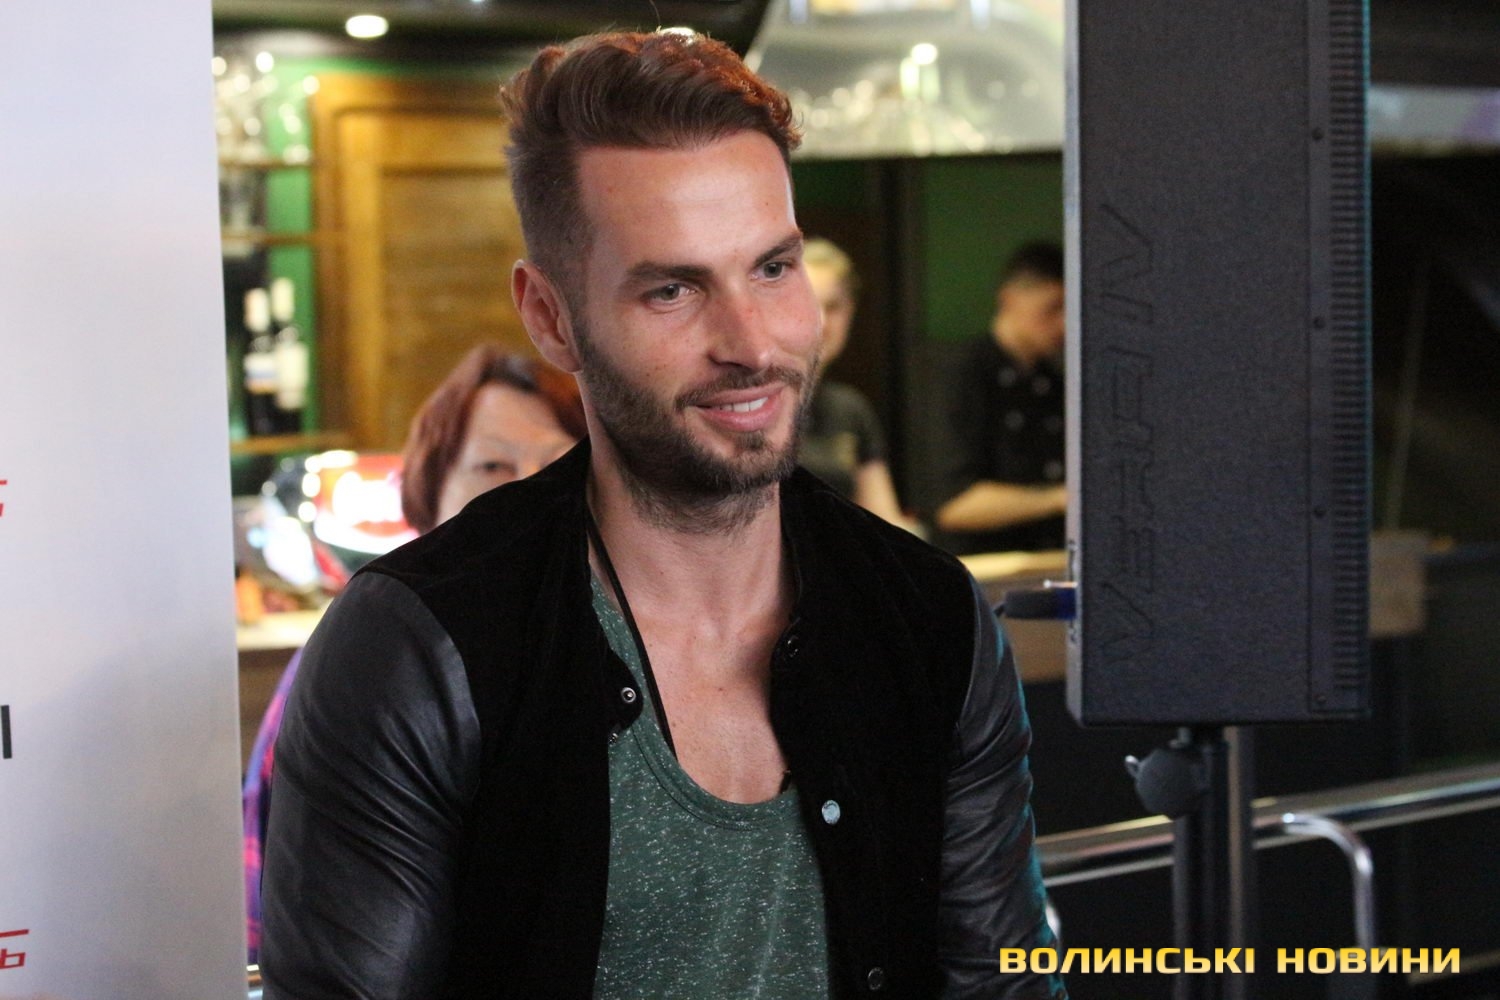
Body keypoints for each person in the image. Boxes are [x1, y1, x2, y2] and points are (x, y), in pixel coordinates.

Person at [260, 30, 1065, 1000]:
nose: (751, 344)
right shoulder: (419, 646)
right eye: (673, 289)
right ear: (551, 317)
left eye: (773, 268)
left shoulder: (929, 616)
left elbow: (1002, 983)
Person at [241, 343, 583, 965]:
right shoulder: (364, 663)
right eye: (492, 466)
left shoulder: (628, 654)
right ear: (431, 491)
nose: (531, 492)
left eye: (559, 465)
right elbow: (276, 903)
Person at [934, 241, 1068, 555]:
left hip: (1049, 560)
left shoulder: (1053, 381)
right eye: (1052, 308)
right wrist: (1059, 499)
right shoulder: (963, 373)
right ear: (1009, 299)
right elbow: (953, 505)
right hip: (977, 566)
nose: (1063, 324)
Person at [797, 237, 913, 528]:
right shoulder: (750, 399)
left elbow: (885, 522)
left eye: (833, 307)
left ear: (850, 312)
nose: (822, 321)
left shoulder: (851, 408)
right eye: (808, 303)